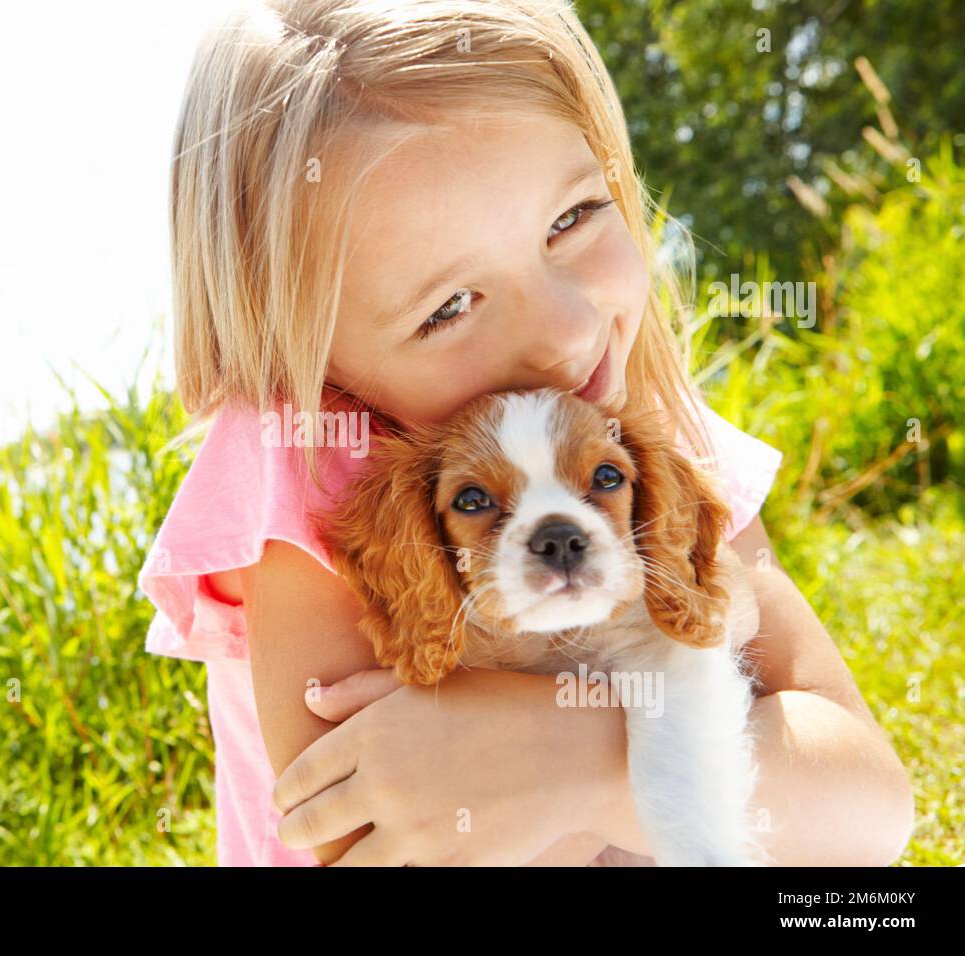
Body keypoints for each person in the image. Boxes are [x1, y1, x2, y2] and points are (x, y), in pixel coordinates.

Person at [138, 0, 914, 866]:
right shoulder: (304, 454)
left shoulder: (659, 440)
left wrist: (583, 761)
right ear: (315, 365)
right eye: (448, 308)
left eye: (571, 218)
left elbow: (869, 812)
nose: (568, 330)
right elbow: (361, 837)